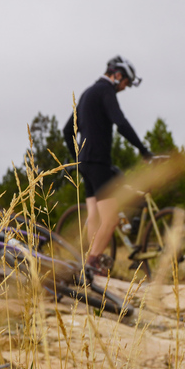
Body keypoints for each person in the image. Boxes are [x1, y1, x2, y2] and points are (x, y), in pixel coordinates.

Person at [63, 55, 152, 275]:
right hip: (99, 162)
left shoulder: (87, 93)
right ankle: (92, 264)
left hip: (85, 162)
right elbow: (120, 122)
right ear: (117, 75)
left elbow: (67, 130)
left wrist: (78, 155)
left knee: (94, 214)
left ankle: (85, 259)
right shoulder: (106, 91)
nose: (125, 88)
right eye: (126, 83)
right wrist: (143, 150)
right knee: (111, 219)